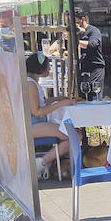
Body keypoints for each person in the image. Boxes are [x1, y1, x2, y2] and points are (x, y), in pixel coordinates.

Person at [24, 51, 75, 179]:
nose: (49, 69)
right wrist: (61, 104)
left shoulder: (31, 81)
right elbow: (36, 111)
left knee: (73, 134)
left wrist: (58, 98)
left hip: (35, 122)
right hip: (32, 124)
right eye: (47, 66)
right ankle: (42, 162)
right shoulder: (30, 83)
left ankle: (48, 161)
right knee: (74, 135)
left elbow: (42, 102)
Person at [75, 13, 105, 96]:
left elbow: (93, 44)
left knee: (94, 94)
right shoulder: (76, 33)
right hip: (82, 68)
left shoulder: (93, 31)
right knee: (83, 95)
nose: (73, 23)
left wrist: (75, 41)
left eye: (75, 20)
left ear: (83, 19)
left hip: (95, 67)